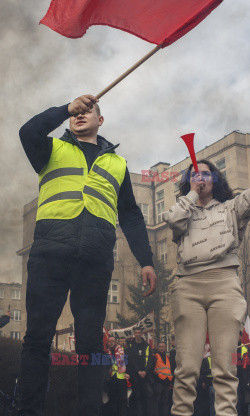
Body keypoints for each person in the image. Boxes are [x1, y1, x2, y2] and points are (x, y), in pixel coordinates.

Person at [18, 95, 156, 416]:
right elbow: (27, 132)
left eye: (88, 110)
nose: (81, 114)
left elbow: (131, 216)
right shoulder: (51, 149)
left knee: (91, 346)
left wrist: (146, 259)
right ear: (70, 118)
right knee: (37, 338)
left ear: (100, 121)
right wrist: (65, 107)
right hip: (49, 254)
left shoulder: (117, 164)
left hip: (95, 262)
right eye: (77, 112)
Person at [164, 155, 250, 416]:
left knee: (225, 367)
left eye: (206, 173)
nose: (200, 178)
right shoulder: (182, 211)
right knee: (187, 368)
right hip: (187, 287)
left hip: (224, 284)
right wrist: (191, 194)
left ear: (216, 180)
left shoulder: (230, 209)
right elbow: (172, 220)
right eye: (194, 174)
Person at [128, 327, 155, 416]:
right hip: (135, 376)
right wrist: (138, 371)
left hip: (145, 377)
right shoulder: (130, 345)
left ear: (141, 334)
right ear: (134, 334)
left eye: (139, 332)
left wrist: (145, 372)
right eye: (136, 333)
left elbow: (150, 360)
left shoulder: (146, 345)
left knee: (146, 397)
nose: (137, 334)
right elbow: (131, 360)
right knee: (136, 397)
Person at [105, 336, 129, 416]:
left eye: (113, 341)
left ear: (116, 342)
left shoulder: (121, 350)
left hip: (121, 379)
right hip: (111, 379)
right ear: (108, 343)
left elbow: (127, 363)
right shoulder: (107, 352)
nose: (111, 343)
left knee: (122, 401)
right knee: (112, 400)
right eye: (110, 341)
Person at [153, 342, 173, 416]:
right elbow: (153, 369)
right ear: (158, 348)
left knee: (166, 401)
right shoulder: (155, 356)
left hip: (167, 382)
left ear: (165, 348)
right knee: (157, 401)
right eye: (160, 346)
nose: (161, 348)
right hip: (159, 382)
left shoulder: (168, 357)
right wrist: (157, 378)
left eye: (163, 346)